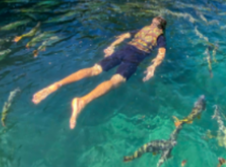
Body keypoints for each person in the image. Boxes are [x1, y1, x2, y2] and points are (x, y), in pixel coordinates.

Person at [33, 16, 168, 129]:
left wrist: (112, 46)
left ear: (152, 22)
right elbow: (161, 52)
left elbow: (124, 36)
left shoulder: (142, 29)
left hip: (124, 49)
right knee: (115, 81)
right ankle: (83, 101)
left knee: (94, 69)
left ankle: (58, 83)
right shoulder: (160, 37)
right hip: (136, 56)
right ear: (162, 28)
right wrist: (153, 67)